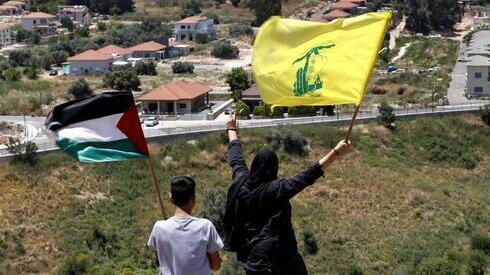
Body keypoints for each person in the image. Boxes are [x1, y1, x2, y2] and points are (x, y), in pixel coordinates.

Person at [223, 113, 350, 275]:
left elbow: (236, 158)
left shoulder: (241, 181)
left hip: (253, 259)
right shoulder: (277, 190)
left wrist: (231, 128)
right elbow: (308, 175)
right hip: (283, 257)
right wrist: (336, 152)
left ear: (254, 165)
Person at [148, 176, 223, 275]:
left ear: (171, 199)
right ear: (193, 199)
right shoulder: (205, 227)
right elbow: (216, 265)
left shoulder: (159, 228)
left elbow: (159, 260)